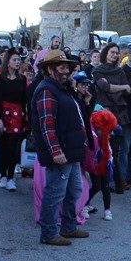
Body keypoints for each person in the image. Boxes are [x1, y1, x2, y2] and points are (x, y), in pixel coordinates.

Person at [31, 50, 90, 246]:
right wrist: (56, 152)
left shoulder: (62, 88)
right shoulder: (47, 90)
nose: (67, 70)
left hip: (71, 151)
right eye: (62, 66)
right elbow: (47, 125)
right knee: (55, 192)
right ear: (50, 69)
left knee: (74, 190)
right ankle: (48, 233)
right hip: (61, 152)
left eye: (68, 66)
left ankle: (69, 227)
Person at [92, 43, 131, 194]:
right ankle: (103, 182)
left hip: (119, 111)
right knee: (102, 148)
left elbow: (128, 89)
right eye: (112, 52)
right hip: (104, 111)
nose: (115, 55)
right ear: (105, 53)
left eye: (116, 53)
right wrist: (121, 87)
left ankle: (117, 182)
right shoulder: (98, 70)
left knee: (116, 149)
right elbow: (105, 87)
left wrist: (119, 88)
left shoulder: (119, 71)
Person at [0, 48, 29, 191]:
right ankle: (3, 175)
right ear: (8, 62)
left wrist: (26, 115)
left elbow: (24, 99)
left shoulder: (22, 79)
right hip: (3, 114)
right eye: (14, 60)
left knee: (13, 146)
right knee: (2, 146)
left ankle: (11, 176)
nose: (17, 62)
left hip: (17, 114)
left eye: (19, 60)